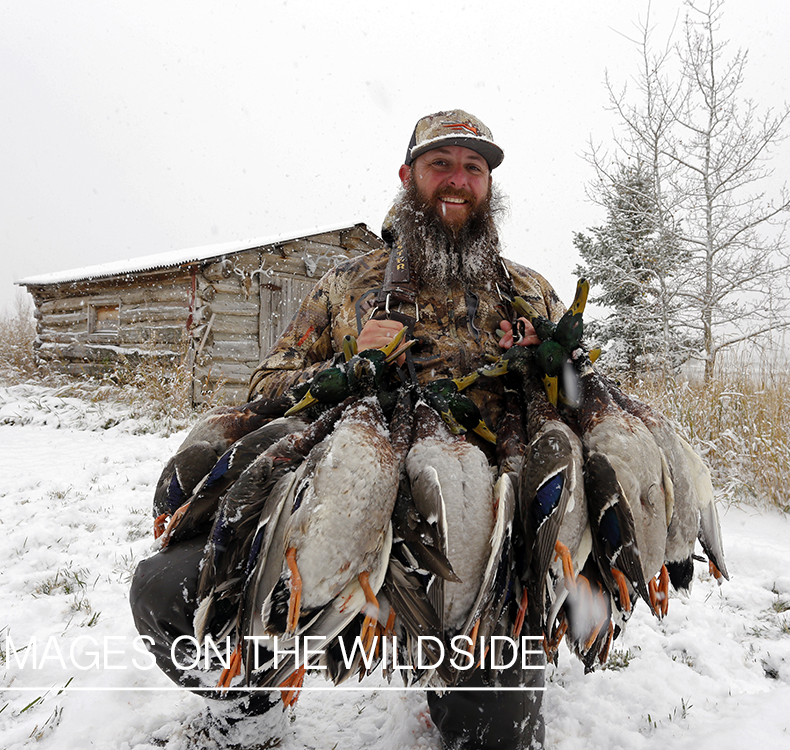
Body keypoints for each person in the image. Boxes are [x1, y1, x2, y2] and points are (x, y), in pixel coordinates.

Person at [131, 109, 564, 750]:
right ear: (407, 175)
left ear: (489, 187)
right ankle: (247, 707)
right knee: (169, 591)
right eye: (440, 163)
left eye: (474, 168)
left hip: (478, 535)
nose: (457, 180)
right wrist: (345, 367)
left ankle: (465, 665)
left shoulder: (528, 292)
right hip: (342, 508)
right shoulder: (348, 285)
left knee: (494, 735)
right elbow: (263, 392)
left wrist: (554, 366)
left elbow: (576, 408)